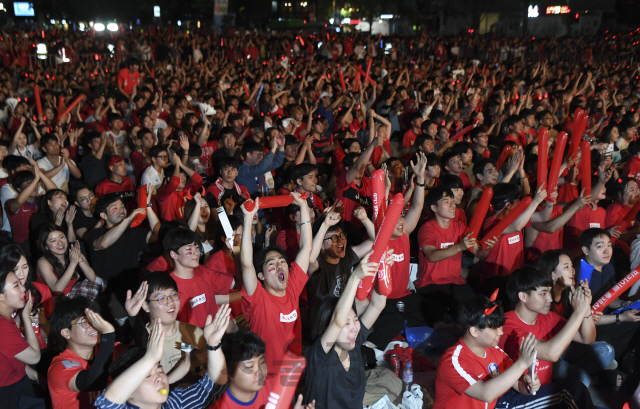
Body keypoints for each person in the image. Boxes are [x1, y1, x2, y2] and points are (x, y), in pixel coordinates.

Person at [433, 293, 596, 409]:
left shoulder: (493, 351)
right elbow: (486, 394)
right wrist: (522, 363)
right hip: (500, 403)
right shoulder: (453, 360)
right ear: (474, 331)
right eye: (495, 329)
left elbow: (520, 386)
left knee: (576, 389)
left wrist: (530, 384)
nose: (500, 332)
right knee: (572, 391)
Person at [94, 307, 230, 409]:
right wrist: (149, 359)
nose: (159, 377)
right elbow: (107, 403)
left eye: (160, 371)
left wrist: (213, 346)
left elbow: (213, 386)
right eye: (147, 376)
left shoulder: (175, 403)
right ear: (129, 391)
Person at [239, 192, 312, 377]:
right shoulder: (258, 298)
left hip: (292, 373)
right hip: (265, 377)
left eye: (282, 261)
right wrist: (248, 219)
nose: (279, 265)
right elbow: (246, 264)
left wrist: (303, 207)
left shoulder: (292, 287)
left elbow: (306, 248)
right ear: (261, 276)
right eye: (271, 264)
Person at [304, 253, 385, 408]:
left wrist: (382, 269)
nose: (355, 327)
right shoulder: (320, 356)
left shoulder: (352, 343)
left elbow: (377, 305)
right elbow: (337, 321)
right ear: (328, 329)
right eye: (347, 323)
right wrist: (354, 277)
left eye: (355, 320)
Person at [500, 266, 597, 388]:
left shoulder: (547, 317)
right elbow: (551, 354)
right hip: (521, 394)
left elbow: (587, 338)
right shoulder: (506, 325)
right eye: (543, 293)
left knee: (603, 350)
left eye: (549, 293)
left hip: (545, 390)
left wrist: (585, 306)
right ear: (523, 296)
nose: (550, 299)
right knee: (578, 387)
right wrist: (578, 312)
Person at [536, 250, 619, 387]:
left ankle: (578, 375)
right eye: (566, 267)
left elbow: (588, 339)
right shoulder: (542, 301)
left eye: (572, 266)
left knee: (606, 350)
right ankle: (591, 377)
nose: (572, 271)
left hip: (566, 349)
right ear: (551, 274)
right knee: (581, 379)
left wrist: (585, 307)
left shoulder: (570, 294)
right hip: (547, 353)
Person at [124, 274, 210, 386]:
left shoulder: (195, 333)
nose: (171, 303)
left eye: (174, 295)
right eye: (161, 298)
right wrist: (133, 317)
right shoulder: (141, 342)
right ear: (145, 306)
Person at [214, 330, 314, 409]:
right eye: (249, 367)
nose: (260, 371)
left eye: (262, 362)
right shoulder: (216, 405)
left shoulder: (273, 386)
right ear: (229, 372)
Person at [163, 227, 236, 331]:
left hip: (215, 338)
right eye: (189, 249)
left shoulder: (203, 272)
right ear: (174, 254)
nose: (196, 252)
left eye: (197, 247)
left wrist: (236, 252)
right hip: (192, 344)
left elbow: (236, 283)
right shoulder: (168, 287)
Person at [48, 297, 115, 409]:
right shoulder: (59, 367)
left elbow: (142, 353)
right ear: (66, 333)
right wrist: (108, 335)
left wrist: (134, 317)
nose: (93, 326)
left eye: (94, 320)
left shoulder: (104, 349)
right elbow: (93, 382)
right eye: (84, 322)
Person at [0, 268, 42, 409]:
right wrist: (26, 317)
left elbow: (18, 361)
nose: (23, 289)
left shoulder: (7, 319)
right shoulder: (1, 326)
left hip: (18, 384)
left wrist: (37, 377)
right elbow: (34, 357)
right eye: (16, 285)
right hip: (8, 394)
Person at [37, 224, 100, 297]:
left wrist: (78, 258)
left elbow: (92, 278)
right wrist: (72, 264)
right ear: (46, 246)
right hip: (54, 302)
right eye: (53, 240)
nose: (60, 243)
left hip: (74, 297)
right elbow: (57, 290)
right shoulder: (42, 262)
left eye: (61, 237)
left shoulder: (72, 253)